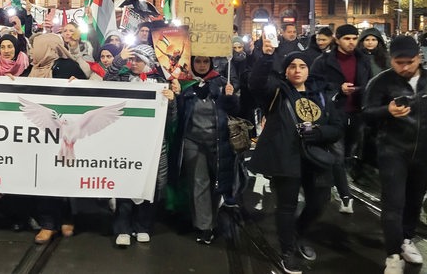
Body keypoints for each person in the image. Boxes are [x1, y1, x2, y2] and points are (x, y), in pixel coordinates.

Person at [249, 42, 343, 274]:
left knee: (319, 202)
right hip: (286, 157)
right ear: (286, 70)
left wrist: (319, 133)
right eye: (292, 66)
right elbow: (257, 83)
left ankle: (299, 233)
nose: (297, 70)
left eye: (302, 66)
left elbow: (338, 127)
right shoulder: (278, 90)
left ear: (309, 70)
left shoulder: (321, 94)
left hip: (316, 158)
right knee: (287, 207)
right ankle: (287, 251)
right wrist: (268, 56)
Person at [362, 35, 427, 274]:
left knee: (414, 201)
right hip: (392, 150)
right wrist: (386, 110)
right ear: (391, 60)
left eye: (410, 61)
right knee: (393, 204)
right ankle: (393, 254)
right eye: (399, 62)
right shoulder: (380, 82)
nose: (405, 67)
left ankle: (407, 239)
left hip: (423, 153)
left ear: (419, 58)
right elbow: (366, 113)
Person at [103, 44, 178, 247]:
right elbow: (106, 82)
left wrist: (172, 101)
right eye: (131, 60)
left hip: (152, 143)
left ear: (148, 62)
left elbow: (171, 120)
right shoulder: (122, 78)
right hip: (127, 141)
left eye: (138, 60)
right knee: (126, 182)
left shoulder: (161, 82)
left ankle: (143, 226)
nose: (133, 63)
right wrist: (119, 59)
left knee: (150, 185)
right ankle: (122, 228)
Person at [27, 33, 87, 244]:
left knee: (64, 177)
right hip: (40, 136)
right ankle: (48, 223)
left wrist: (78, 84)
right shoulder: (33, 69)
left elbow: (88, 94)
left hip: (63, 134)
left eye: (35, 47)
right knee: (43, 179)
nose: (32, 51)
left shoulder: (67, 67)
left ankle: (67, 217)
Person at [176, 55, 239, 245]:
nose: (202, 65)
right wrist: (175, 95)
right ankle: (205, 226)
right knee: (199, 183)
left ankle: (211, 216)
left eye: (205, 62)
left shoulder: (221, 82)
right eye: (198, 61)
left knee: (217, 183)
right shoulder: (183, 83)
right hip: (193, 141)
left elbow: (235, 110)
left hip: (219, 141)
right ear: (192, 63)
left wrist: (231, 97)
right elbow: (177, 113)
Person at [310, 24, 371, 214]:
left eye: (354, 38)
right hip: (334, 114)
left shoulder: (363, 60)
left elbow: (369, 83)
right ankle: (345, 195)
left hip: (357, 114)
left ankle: (335, 181)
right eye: (347, 38)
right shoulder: (323, 61)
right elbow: (313, 84)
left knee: (347, 155)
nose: (351, 42)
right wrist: (338, 89)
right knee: (337, 153)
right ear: (338, 40)